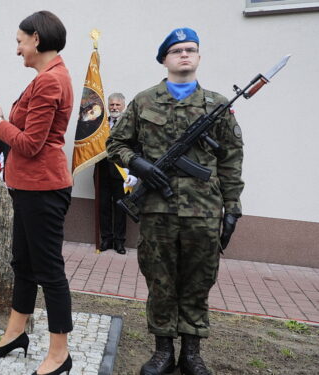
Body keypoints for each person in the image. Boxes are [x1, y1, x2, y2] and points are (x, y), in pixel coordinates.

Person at [107, 28, 244, 375]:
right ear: (164, 59)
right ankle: (163, 352)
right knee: (160, 280)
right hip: (157, 210)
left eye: (191, 49)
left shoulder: (217, 105)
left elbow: (230, 160)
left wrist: (232, 209)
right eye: (177, 50)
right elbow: (115, 144)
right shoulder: (143, 101)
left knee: (199, 280)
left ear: (198, 57)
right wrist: (139, 164)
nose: (185, 55)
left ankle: (192, 353)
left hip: (204, 212)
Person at [0, 11, 74, 375]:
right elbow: (25, 130)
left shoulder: (51, 81)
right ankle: (14, 335)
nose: (17, 50)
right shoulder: (45, 77)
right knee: (23, 265)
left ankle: (60, 353)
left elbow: (29, 144)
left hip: (43, 189)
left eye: (20, 41)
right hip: (28, 187)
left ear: (36, 40)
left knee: (49, 271)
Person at [95, 92, 128, 254]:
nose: (114, 108)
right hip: (102, 171)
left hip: (121, 172)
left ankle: (119, 241)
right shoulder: (101, 125)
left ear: (124, 106)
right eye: (112, 105)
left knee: (120, 207)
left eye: (117, 105)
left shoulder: (129, 124)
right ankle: (106, 238)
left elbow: (135, 146)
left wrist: (132, 172)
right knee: (104, 206)